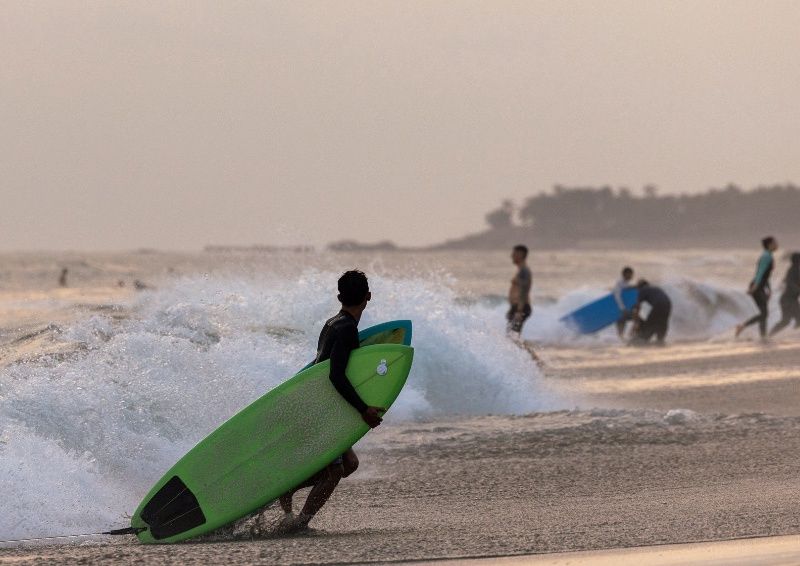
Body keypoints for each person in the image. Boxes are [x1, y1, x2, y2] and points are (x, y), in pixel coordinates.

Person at [275, 270, 384, 533]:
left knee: (350, 464)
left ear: (339, 296)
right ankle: (299, 524)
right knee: (334, 472)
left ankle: (288, 488)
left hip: (317, 401)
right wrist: (363, 409)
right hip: (321, 406)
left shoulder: (332, 322)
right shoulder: (347, 329)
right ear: (369, 296)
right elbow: (335, 375)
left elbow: (319, 366)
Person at [736, 236, 778, 340]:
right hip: (757, 285)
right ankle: (742, 326)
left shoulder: (769, 256)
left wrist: (769, 289)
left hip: (761, 286)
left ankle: (763, 336)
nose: (777, 244)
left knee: (764, 313)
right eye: (774, 243)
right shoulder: (766, 257)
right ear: (769, 245)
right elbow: (760, 273)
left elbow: (766, 275)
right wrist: (755, 286)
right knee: (764, 314)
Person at [631, 280, 672, 345]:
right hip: (668, 304)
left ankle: (643, 340)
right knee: (662, 322)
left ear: (639, 287)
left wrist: (635, 325)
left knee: (650, 325)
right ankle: (660, 340)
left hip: (658, 304)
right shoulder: (655, 288)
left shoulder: (642, 290)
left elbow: (637, 307)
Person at [770, 252, 800, 336]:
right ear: (797, 261)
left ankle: (769, 335)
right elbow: (789, 282)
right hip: (788, 300)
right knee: (787, 321)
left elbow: (787, 281)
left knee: (788, 321)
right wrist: (797, 289)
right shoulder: (793, 269)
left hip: (791, 299)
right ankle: (769, 335)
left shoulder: (795, 269)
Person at [506, 245, 532, 341]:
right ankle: (530, 356)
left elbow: (524, 291)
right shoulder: (521, 270)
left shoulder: (524, 271)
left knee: (513, 338)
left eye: (514, 254)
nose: (511, 256)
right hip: (518, 307)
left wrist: (519, 311)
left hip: (521, 307)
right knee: (512, 338)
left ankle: (532, 357)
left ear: (520, 255)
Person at [613, 266, 635, 338]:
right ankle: (624, 337)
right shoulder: (620, 282)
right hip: (620, 309)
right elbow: (617, 296)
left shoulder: (625, 283)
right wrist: (622, 308)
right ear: (625, 274)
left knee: (626, 321)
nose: (632, 276)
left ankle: (626, 336)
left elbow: (626, 291)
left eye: (632, 274)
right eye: (630, 274)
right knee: (621, 323)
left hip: (624, 309)